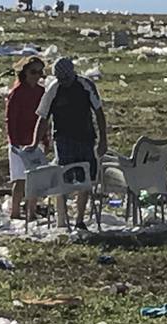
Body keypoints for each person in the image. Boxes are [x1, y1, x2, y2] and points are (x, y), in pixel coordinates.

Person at [27, 57, 107, 230]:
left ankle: (79, 219)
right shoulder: (53, 89)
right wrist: (35, 143)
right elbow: (43, 118)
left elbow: (99, 113)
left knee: (85, 180)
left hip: (86, 139)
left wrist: (103, 140)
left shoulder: (86, 86)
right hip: (63, 140)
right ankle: (63, 219)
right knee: (64, 179)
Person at [5, 56, 48, 223]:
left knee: (34, 178)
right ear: (24, 73)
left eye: (39, 72)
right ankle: (15, 212)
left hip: (35, 140)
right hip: (19, 142)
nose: (36, 76)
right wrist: (13, 141)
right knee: (19, 179)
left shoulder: (40, 92)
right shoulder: (17, 93)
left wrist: (44, 138)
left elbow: (43, 117)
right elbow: (11, 119)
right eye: (33, 72)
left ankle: (31, 212)